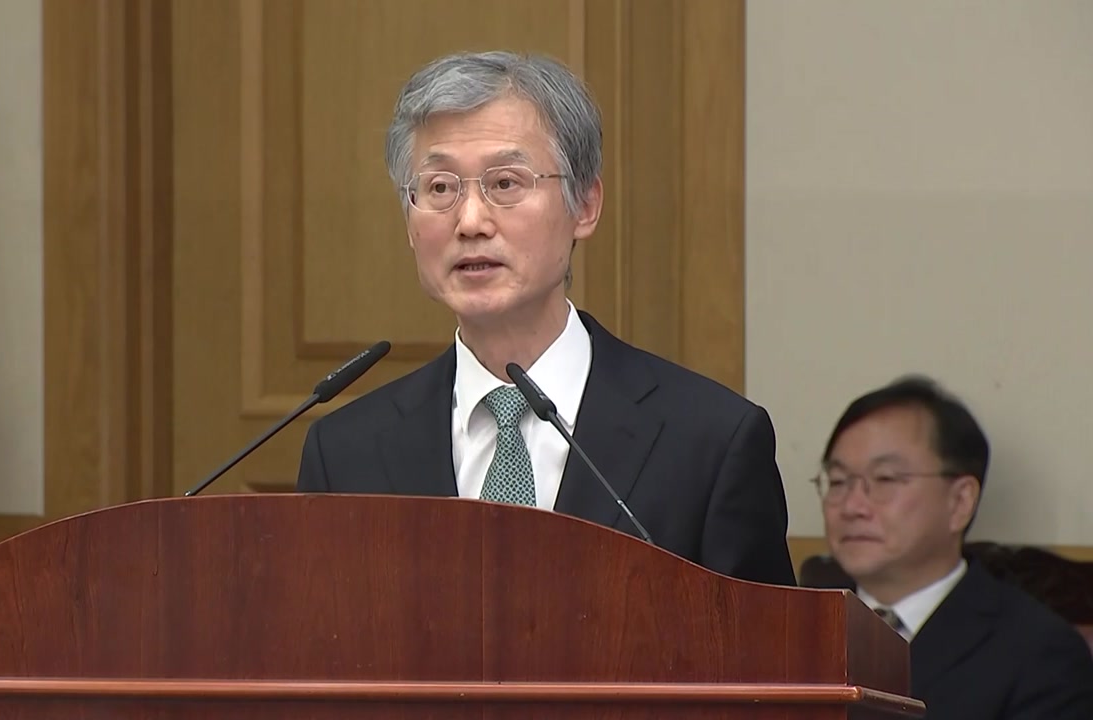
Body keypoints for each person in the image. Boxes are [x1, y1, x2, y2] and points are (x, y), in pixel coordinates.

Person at [295, 50, 795, 586]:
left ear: (585, 206)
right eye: (439, 188)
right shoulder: (345, 455)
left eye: (505, 184)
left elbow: (765, 641)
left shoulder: (709, 443)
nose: (470, 221)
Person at [806, 376, 1093, 719]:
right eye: (838, 481)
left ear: (960, 501)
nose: (852, 506)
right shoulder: (795, 627)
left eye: (885, 479)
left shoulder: (1041, 654)